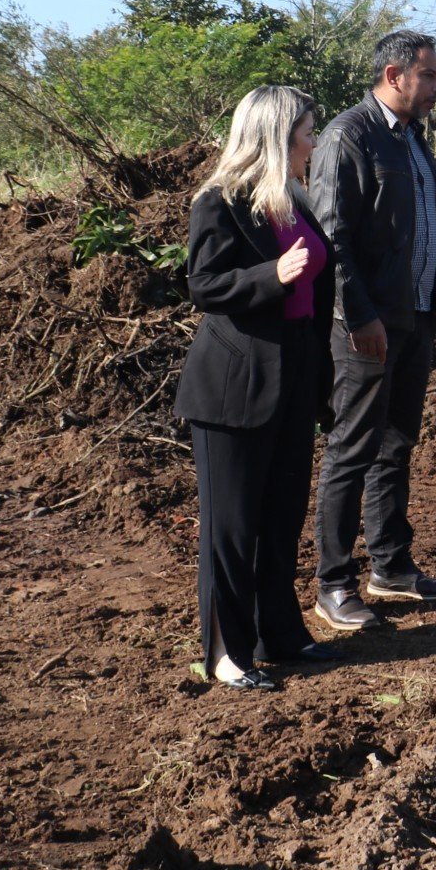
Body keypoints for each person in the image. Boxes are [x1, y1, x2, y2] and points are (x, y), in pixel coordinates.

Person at [174, 85, 344, 691]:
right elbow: (205, 284)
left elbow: (317, 295)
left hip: (295, 380)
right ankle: (226, 653)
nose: (314, 142)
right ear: (276, 136)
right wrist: (270, 275)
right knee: (232, 528)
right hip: (234, 389)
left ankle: (282, 634)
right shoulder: (220, 202)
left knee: (280, 519)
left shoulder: (294, 201)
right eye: (307, 131)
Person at [308, 30, 436, 632]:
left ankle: (392, 567)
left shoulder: (412, 139)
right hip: (366, 326)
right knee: (353, 448)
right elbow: (332, 236)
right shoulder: (351, 135)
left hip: (414, 316)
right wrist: (360, 315)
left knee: (396, 443)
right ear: (395, 75)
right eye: (428, 76)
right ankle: (334, 583)